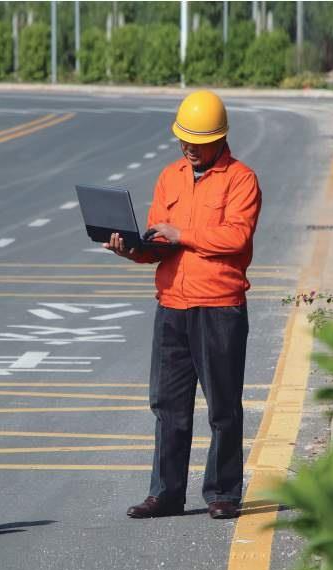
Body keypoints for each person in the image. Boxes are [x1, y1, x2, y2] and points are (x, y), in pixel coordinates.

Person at [104, 90, 262, 520]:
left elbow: (236, 238)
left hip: (219, 306)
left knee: (223, 407)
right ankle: (167, 493)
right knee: (168, 405)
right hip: (172, 305)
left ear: (220, 138)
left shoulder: (241, 180)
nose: (188, 147)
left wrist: (182, 235)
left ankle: (223, 493)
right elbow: (160, 243)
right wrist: (133, 249)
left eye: (197, 140)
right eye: (183, 139)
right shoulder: (170, 177)